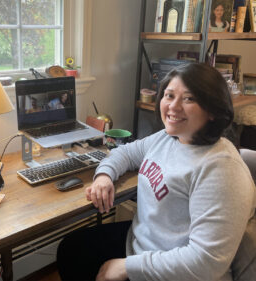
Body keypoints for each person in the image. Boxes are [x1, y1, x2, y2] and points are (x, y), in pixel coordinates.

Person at [57, 63, 256, 281]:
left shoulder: (222, 170)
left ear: (212, 110)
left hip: (176, 271)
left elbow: (206, 263)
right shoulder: (170, 136)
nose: (174, 107)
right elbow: (127, 153)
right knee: (72, 249)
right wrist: (104, 176)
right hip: (140, 246)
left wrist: (126, 267)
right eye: (169, 95)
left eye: (189, 99)